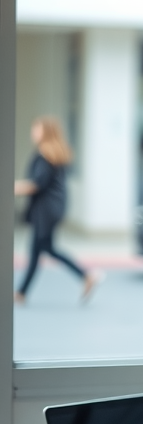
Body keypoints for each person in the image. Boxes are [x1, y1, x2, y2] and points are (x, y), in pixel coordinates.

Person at [14, 117, 101, 304]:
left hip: (44, 209)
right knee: (39, 249)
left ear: (46, 131)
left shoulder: (44, 154)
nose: (33, 133)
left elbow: (36, 184)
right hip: (53, 207)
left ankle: (87, 275)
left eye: (36, 129)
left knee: (44, 248)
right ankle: (21, 293)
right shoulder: (55, 154)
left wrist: (13, 187)